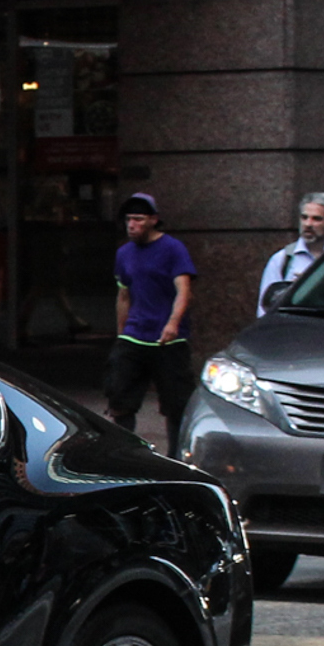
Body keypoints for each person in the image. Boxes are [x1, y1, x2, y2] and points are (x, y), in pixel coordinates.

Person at [108, 192, 198, 451]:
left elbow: (183, 289)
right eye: (128, 220)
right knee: (119, 392)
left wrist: (173, 323)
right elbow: (123, 295)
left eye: (138, 219)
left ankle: (176, 454)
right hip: (135, 333)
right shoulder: (124, 253)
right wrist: (120, 335)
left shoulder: (173, 249)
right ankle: (126, 450)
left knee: (176, 402)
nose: (131, 225)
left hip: (167, 337)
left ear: (153, 220)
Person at [258, 191, 324, 315]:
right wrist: (292, 290)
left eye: (316, 219)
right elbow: (264, 309)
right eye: (304, 217)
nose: (308, 224)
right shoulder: (282, 260)